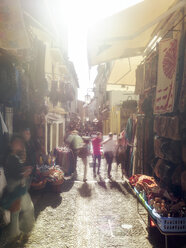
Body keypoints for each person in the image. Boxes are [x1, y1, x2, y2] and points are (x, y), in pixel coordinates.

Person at [2, 136, 35, 242]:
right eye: (17, 143)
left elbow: (14, 171)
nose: (20, 145)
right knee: (29, 208)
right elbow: (15, 174)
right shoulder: (12, 158)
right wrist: (25, 173)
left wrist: (23, 170)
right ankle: (25, 231)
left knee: (15, 212)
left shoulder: (11, 157)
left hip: (13, 188)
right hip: (18, 188)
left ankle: (15, 234)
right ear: (12, 145)